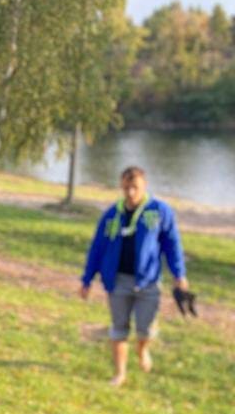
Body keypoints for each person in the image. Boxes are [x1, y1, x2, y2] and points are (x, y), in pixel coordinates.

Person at [80, 165, 188, 386]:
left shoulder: (159, 212)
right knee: (118, 328)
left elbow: (172, 245)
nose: (130, 192)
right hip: (117, 281)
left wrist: (179, 274)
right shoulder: (112, 215)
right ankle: (120, 373)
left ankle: (142, 349)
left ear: (144, 186)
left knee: (144, 330)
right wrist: (87, 279)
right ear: (121, 185)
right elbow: (97, 248)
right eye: (127, 187)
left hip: (148, 281)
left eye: (135, 187)